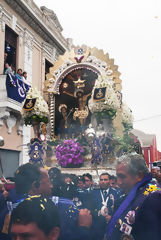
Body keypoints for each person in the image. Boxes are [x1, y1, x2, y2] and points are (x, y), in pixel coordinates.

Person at [0, 163, 92, 240]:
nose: (51, 186)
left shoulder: (5, 210)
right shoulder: (64, 207)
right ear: (35, 185)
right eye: (48, 181)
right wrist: (83, 229)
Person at [106, 153, 161, 240]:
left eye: (122, 176)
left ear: (139, 175)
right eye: (117, 176)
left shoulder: (153, 198)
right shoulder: (135, 192)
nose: (118, 182)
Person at [90, 173, 117, 240]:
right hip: (97, 227)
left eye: (105, 179)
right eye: (101, 180)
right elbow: (89, 209)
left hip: (112, 226)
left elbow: (119, 209)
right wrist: (98, 213)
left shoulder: (116, 193)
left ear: (110, 181)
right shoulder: (93, 193)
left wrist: (112, 217)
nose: (103, 182)